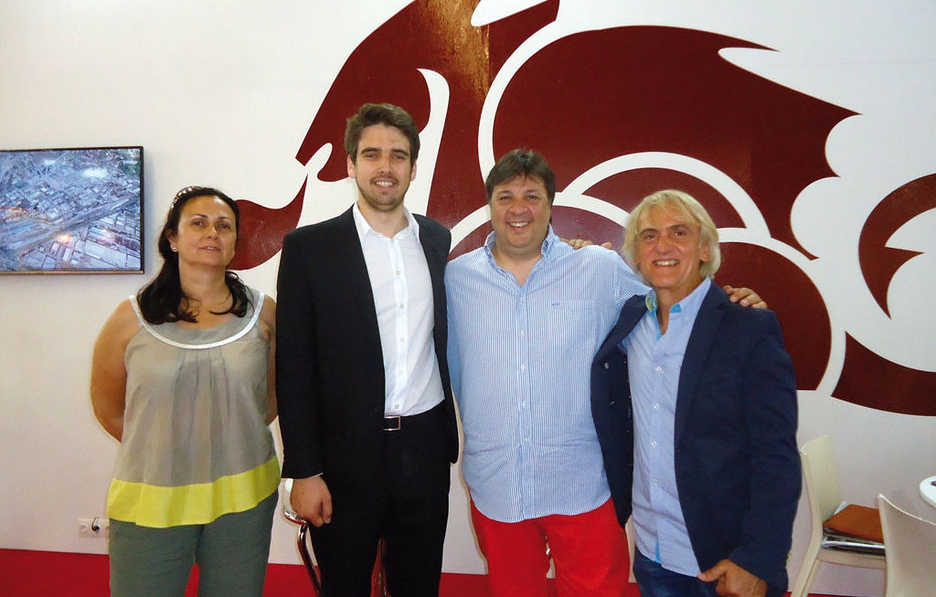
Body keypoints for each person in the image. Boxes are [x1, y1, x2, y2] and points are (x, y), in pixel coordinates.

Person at [445, 150, 765, 597]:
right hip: (497, 482)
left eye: (532, 196)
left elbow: (673, 304)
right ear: (490, 205)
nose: (519, 209)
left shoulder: (598, 268)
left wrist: (731, 310)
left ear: (551, 205)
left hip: (583, 481)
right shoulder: (455, 279)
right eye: (506, 197)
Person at [275, 103, 459, 597]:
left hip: (424, 449)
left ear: (413, 168)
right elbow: (293, 367)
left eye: (398, 156)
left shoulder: (436, 240)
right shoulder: (309, 248)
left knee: (418, 586)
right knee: (344, 586)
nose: (385, 167)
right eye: (372, 154)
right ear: (351, 164)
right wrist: (304, 470)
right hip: (343, 457)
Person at [591, 189, 800, 597]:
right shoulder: (631, 320)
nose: (662, 246)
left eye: (679, 232)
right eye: (649, 235)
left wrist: (758, 559)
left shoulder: (748, 328)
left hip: (723, 559)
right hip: (652, 552)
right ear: (637, 255)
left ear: (705, 249)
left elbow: (776, 457)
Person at [90, 185, 279, 597]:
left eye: (224, 226)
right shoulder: (130, 318)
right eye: (198, 223)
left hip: (244, 495)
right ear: (172, 239)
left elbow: (270, 399)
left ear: (234, 243)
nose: (212, 232)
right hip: (152, 495)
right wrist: (168, 448)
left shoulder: (263, 313)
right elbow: (109, 408)